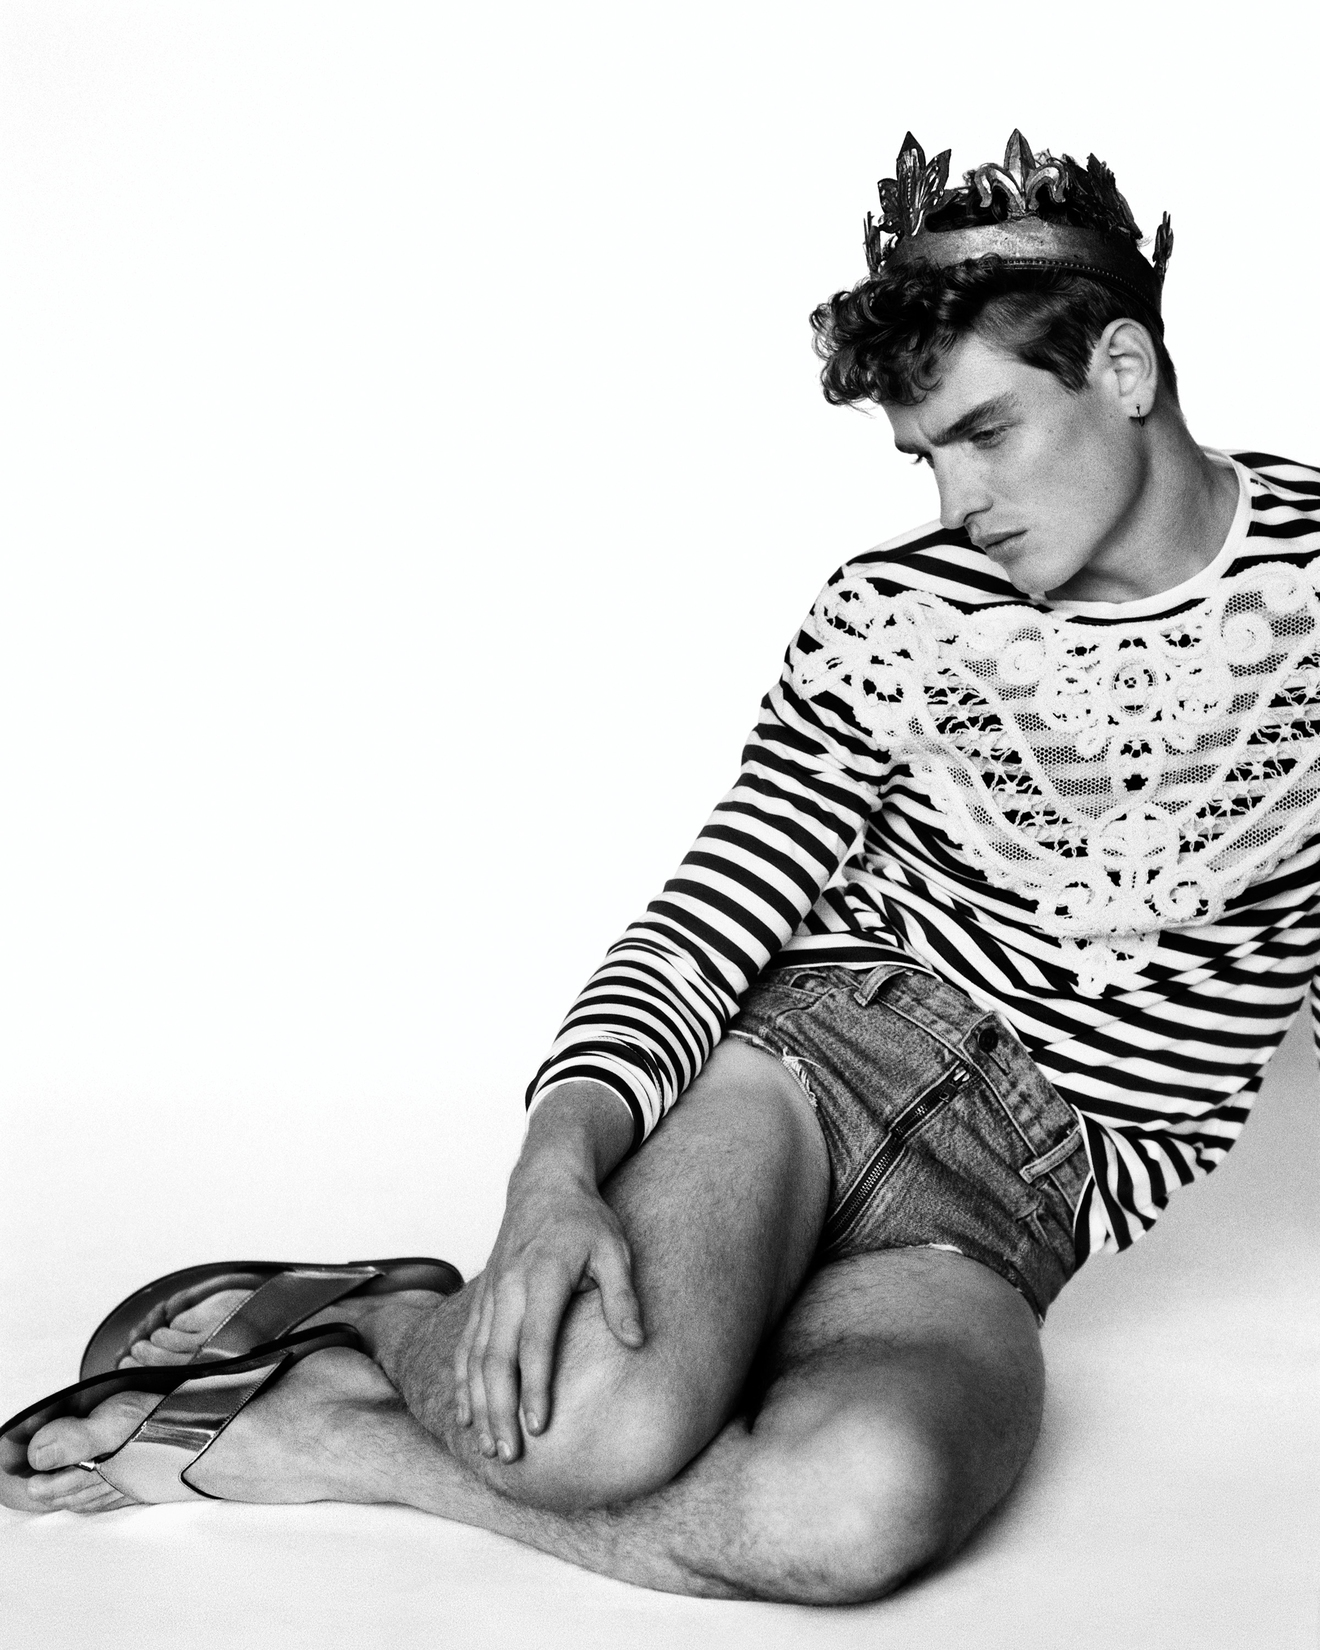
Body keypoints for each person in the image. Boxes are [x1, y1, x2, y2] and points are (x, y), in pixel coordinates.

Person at [6, 128, 1319, 1605]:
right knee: (581, 1433)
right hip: (819, 1060)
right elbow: (723, 897)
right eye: (926, 454)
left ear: (1125, 369)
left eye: (988, 432)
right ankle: (395, 1315)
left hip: (1016, 1199)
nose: (958, 503)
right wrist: (551, 1176)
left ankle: (341, 1426)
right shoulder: (891, 609)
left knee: (851, 1517)